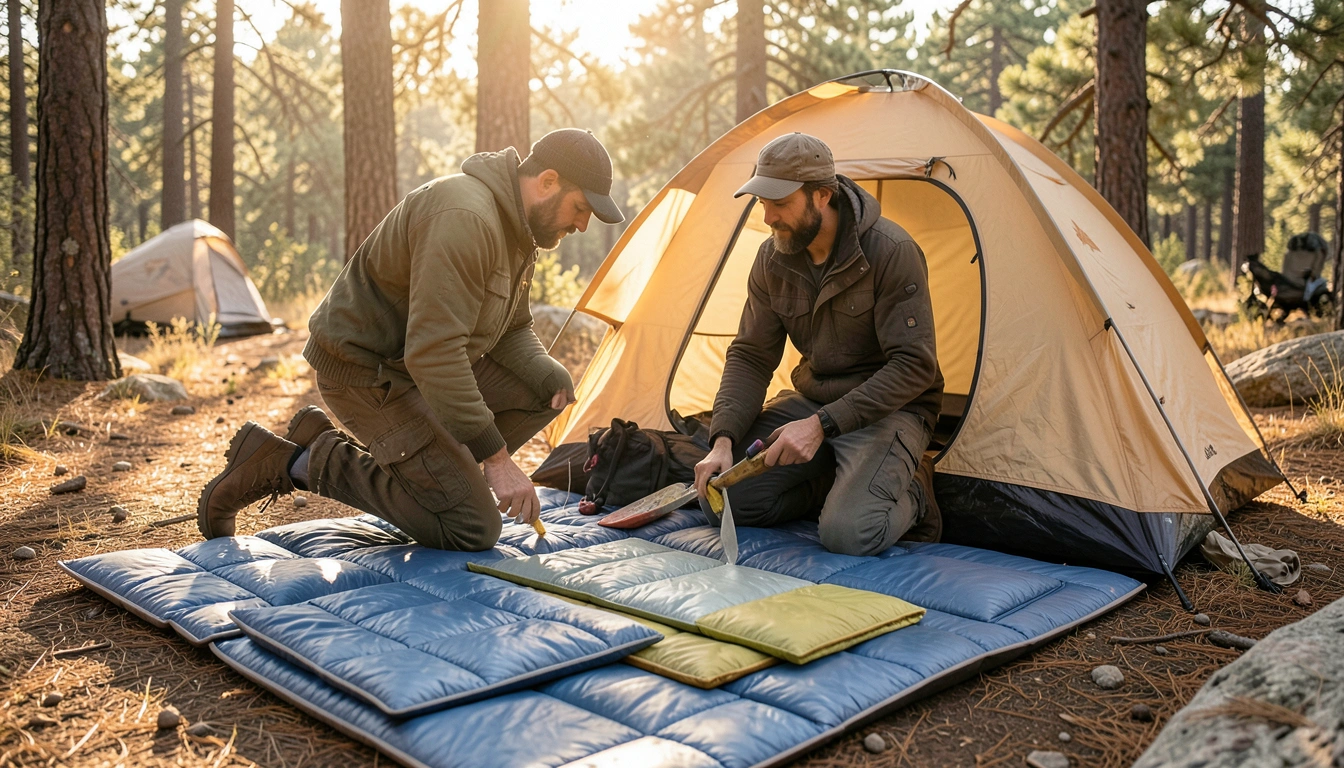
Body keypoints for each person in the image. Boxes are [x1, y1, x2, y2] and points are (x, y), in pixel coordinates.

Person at [196, 129, 624, 551]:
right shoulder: (466, 218)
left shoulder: (516, 230)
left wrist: (547, 371)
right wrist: (496, 461)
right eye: (581, 208)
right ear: (548, 181)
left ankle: (439, 479)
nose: (583, 225)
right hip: (368, 373)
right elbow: (434, 355)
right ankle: (298, 461)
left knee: (540, 387)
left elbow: (512, 327)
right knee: (471, 528)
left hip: (416, 369)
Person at [692, 132, 944, 556]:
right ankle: (836, 481)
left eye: (780, 203)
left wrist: (821, 426)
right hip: (814, 403)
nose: (768, 217)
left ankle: (914, 490)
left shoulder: (891, 251)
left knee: (849, 534)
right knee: (719, 499)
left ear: (823, 195)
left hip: (889, 411)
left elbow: (914, 366)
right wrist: (722, 439)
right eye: (762, 203)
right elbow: (751, 355)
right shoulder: (771, 258)